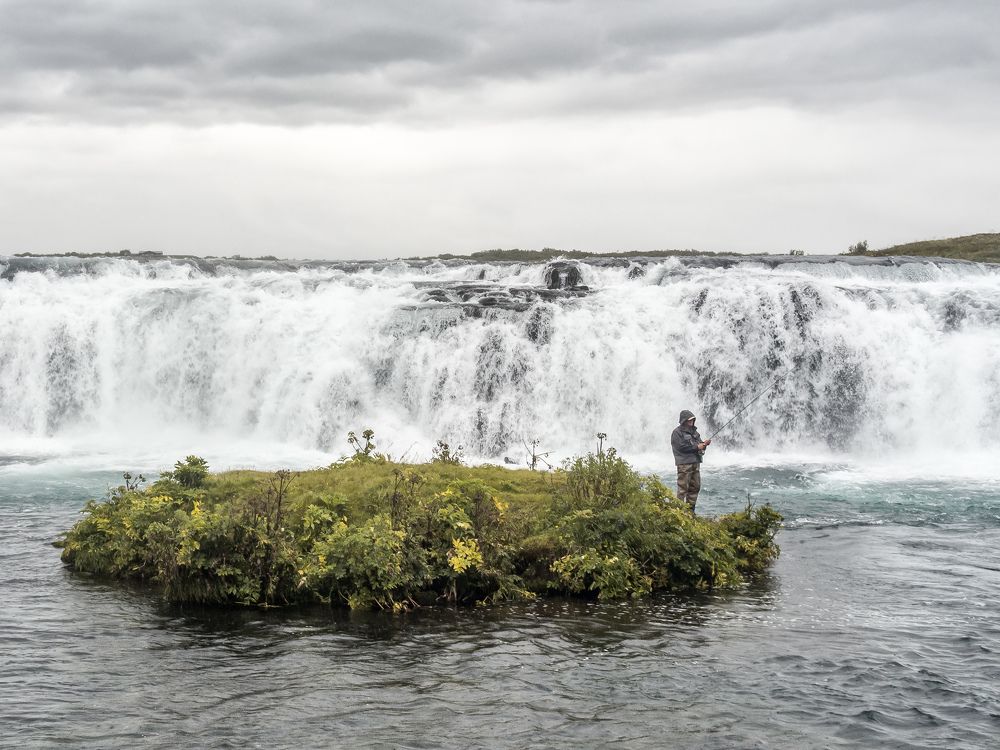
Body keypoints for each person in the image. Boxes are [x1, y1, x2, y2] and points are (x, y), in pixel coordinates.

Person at [671, 410, 711, 512]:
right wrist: (697, 446)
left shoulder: (695, 432)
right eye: (689, 420)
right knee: (682, 489)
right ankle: (678, 512)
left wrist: (704, 445)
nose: (691, 422)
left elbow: (699, 445)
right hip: (684, 464)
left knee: (695, 487)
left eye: (693, 420)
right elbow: (681, 447)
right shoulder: (677, 433)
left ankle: (690, 511)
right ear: (683, 421)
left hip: (695, 463)